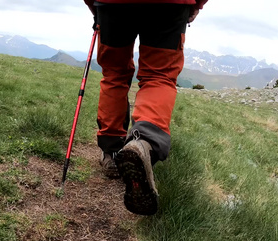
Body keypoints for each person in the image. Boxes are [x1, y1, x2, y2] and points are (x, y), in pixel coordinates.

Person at [84, 0, 208, 215]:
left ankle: (112, 152)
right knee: (159, 76)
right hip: (171, 4)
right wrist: (197, 4)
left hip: (112, 4)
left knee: (114, 74)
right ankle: (144, 142)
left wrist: (95, 4)